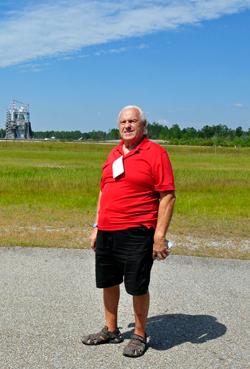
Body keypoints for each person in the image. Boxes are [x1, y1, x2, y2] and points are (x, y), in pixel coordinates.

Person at [81, 105, 176, 358]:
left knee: (137, 285)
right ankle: (111, 330)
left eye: (133, 121)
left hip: (137, 231)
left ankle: (139, 334)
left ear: (143, 126)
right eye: (123, 122)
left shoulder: (156, 153)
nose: (127, 126)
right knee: (108, 282)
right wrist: (96, 227)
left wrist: (159, 237)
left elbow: (167, 196)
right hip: (107, 230)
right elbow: (104, 192)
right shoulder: (113, 154)